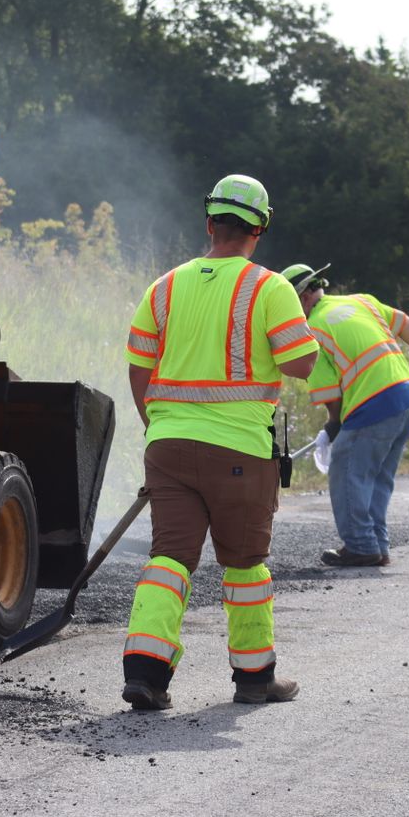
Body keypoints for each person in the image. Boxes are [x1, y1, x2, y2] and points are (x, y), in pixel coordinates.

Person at [120, 174, 317, 711]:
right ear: (260, 229)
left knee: (169, 558)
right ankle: (255, 679)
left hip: (168, 446)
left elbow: (138, 365)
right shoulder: (270, 288)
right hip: (240, 452)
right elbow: (300, 363)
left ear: (209, 223)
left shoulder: (164, 287)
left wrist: (157, 425)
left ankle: (146, 674)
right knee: (245, 563)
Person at [282, 263, 409, 567]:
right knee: (377, 477)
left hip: (374, 404)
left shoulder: (311, 331)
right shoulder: (361, 301)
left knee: (347, 471)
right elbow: (404, 321)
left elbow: (330, 395)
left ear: (302, 298)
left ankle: (360, 545)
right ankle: (376, 544)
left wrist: (333, 425)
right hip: (407, 398)